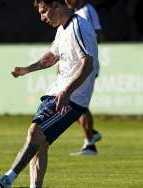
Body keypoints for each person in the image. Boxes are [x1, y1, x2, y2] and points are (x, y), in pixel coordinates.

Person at [0, 0, 99, 187]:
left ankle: (9, 177)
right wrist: (27, 69)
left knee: (35, 132)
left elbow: (87, 64)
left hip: (72, 99)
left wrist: (66, 92)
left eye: (44, 12)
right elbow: (51, 57)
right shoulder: (62, 29)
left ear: (56, 5)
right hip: (56, 92)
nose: (42, 18)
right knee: (40, 143)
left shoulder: (79, 26)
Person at [65, 0, 102, 156]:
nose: (67, 0)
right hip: (76, 65)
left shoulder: (87, 10)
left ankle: (90, 144)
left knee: (77, 104)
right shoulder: (74, 14)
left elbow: (98, 34)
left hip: (86, 65)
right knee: (70, 103)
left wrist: (86, 56)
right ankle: (91, 134)